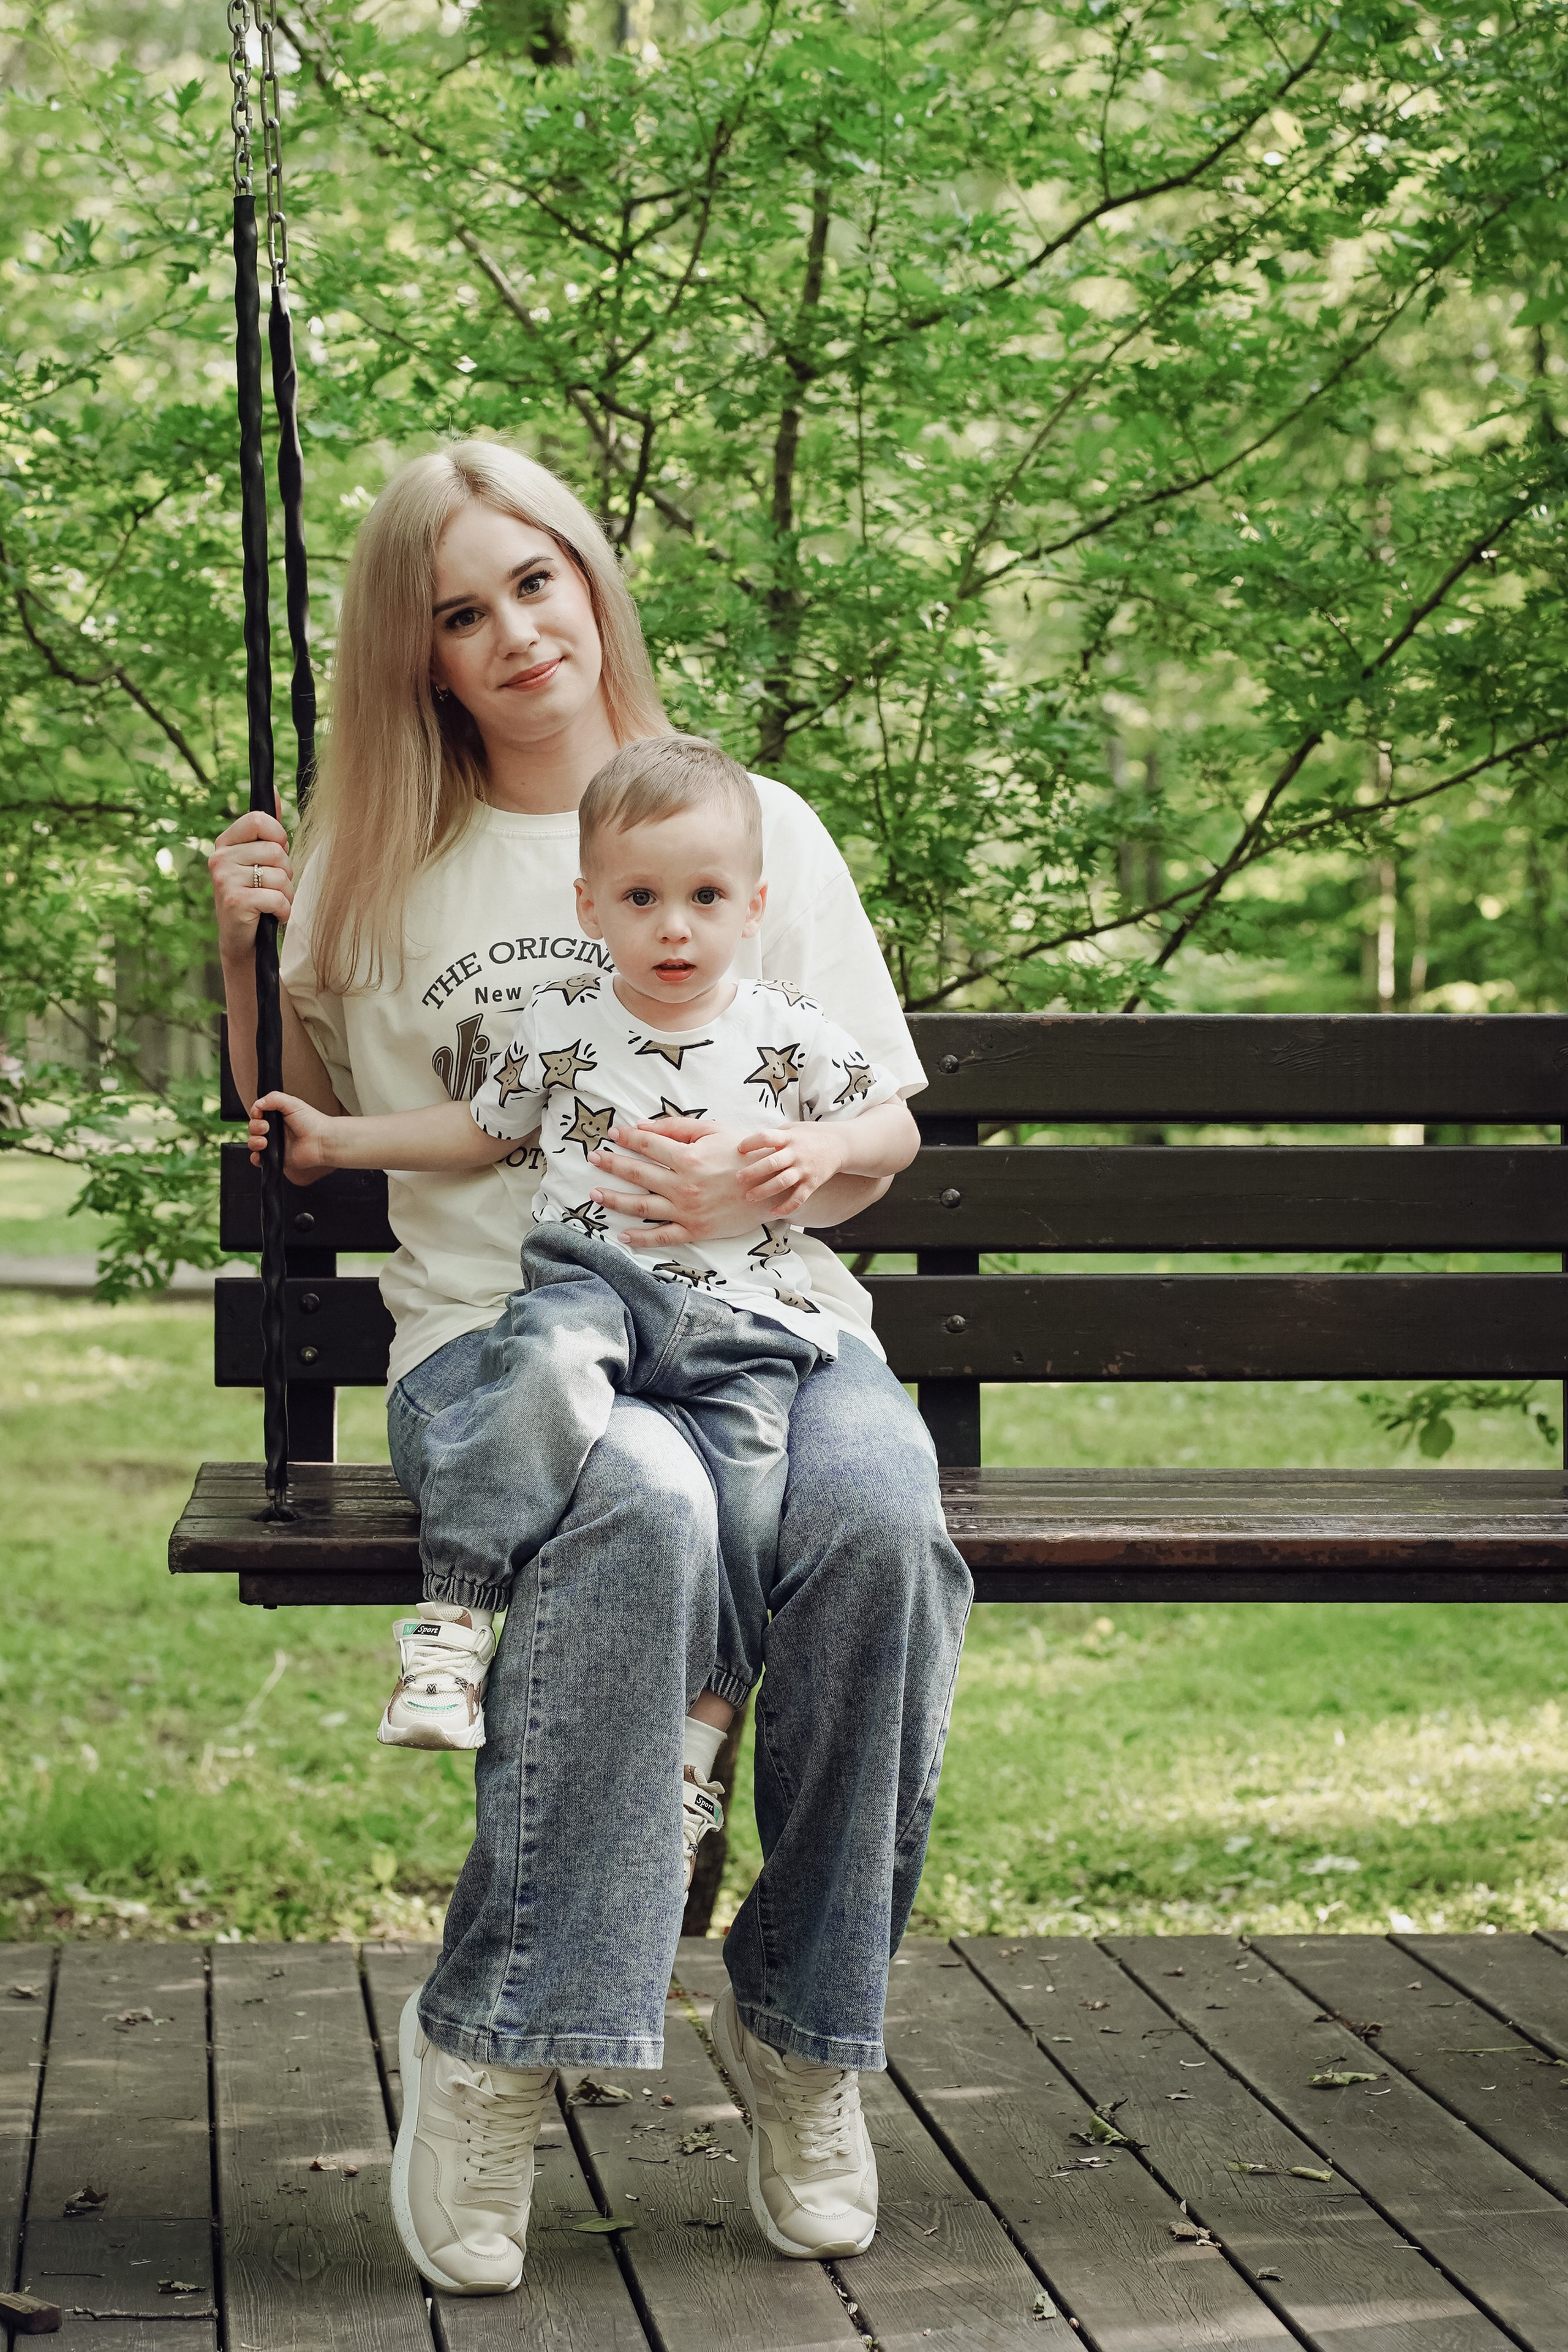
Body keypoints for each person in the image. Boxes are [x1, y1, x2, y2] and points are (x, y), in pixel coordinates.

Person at [208, 439, 971, 2297]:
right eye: (460, 613)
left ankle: (805, 2032)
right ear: (424, 657)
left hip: (778, 1325)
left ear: (592, 578)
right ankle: (498, 2036)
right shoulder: (382, 870)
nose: (514, 631)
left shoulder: (750, 822)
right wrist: (242, 943)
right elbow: (278, 1121)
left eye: (534, 580)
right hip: (509, 1342)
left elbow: (881, 1132)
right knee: (633, 1504)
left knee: (877, 1524)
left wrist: (786, 1165)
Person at [247, 735, 920, 1875]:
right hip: (592, 1292)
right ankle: (454, 1621)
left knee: (751, 1503)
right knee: (541, 1384)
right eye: (643, 898)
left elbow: (892, 1132)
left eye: (706, 899)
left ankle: (696, 1743)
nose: (675, 928)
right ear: (590, 905)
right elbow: (480, 1129)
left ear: (752, 906)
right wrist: (339, 1141)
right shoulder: (561, 1023)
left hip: (744, 1323)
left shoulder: (784, 1031)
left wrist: (822, 1144)